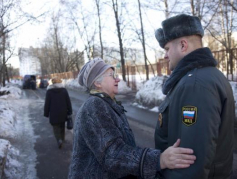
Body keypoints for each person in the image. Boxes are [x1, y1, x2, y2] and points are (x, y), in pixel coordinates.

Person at [68, 58, 196, 179]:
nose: (117, 79)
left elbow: (125, 147)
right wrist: (159, 160)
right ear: (97, 83)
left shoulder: (107, 104)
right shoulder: (94, 106)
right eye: (112, 75)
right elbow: (113, 155)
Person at [154, 14, 235, 178]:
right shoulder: (208, 76)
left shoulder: (195, 84)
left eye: (167, 49)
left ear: (183, 45)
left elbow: (190, 162)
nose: (165, 55)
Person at [44, 77, 72, 149]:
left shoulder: (49, 91)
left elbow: (47, 103)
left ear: (53, 83)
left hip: (53, 113)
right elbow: (68, 101)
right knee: (62, 126)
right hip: (63, 112)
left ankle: (59, 140)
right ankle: (62, 139)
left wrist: (46, 113)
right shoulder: (64, 90)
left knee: (55, 128)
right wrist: (70, 111)